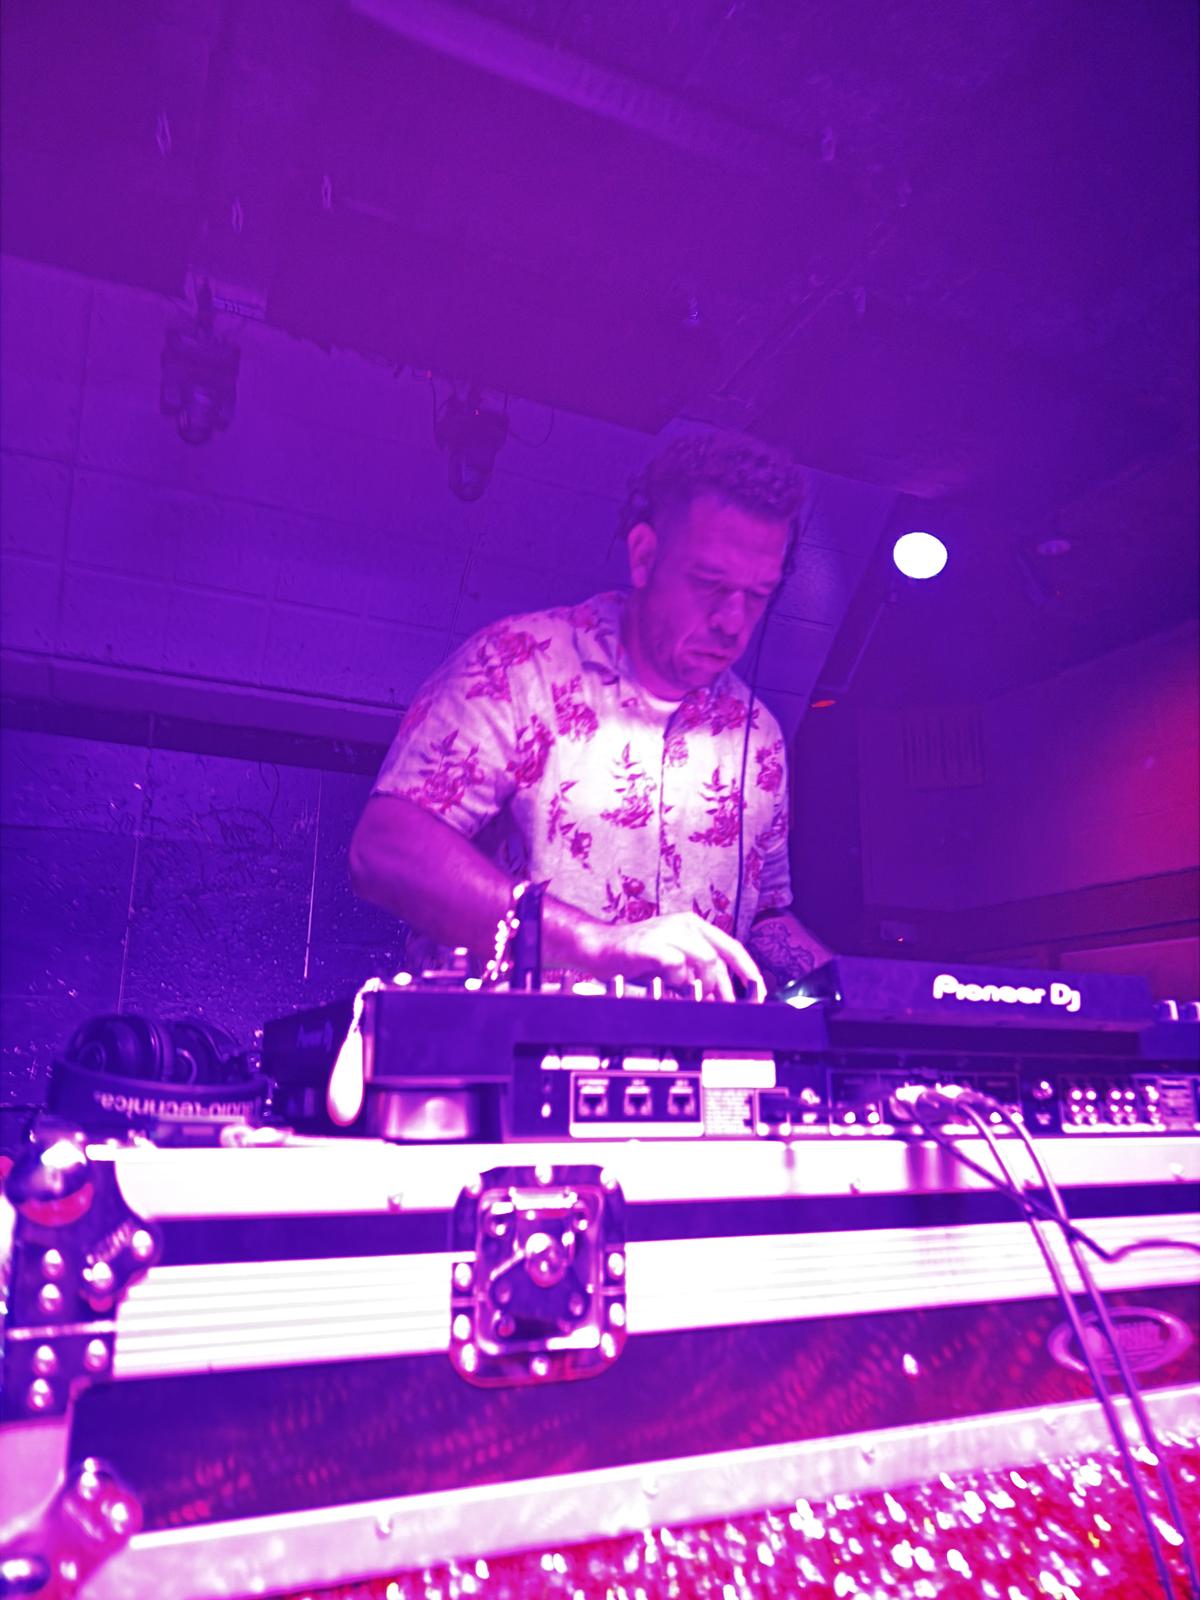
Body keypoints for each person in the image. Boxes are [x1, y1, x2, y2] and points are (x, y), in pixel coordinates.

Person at [350, 432, 832, 1000]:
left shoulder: (758, 733)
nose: (733, 621)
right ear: (644, 556)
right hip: (509, 1048)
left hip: (690, 1055)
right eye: (710, 584)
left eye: (757, 595)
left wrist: (863, 989)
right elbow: (385, 849)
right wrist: (597, 944)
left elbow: (764, 913)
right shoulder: (516, 667)